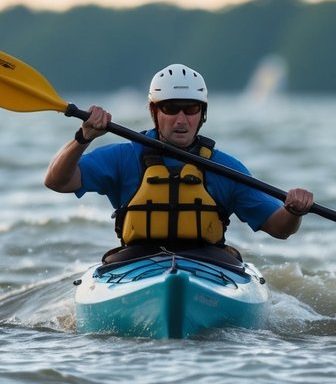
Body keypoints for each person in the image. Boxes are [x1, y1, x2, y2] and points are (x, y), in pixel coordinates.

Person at [44, 64, 313, 264]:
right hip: (137, 261)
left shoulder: (226, 168)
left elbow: (279, 229)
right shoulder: (123, 158)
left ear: (202, 114)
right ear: (154, 112)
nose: (181, 119)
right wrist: (83, 137)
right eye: (171, 109)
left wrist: (294, 211)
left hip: (209, 263)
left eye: (191, 109)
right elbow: (56, 181)